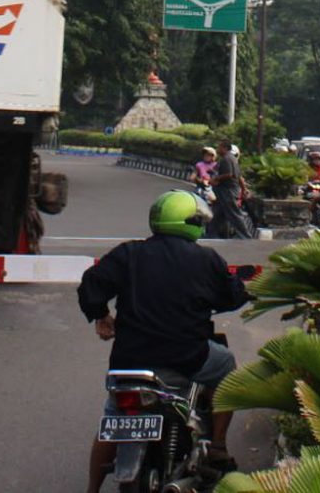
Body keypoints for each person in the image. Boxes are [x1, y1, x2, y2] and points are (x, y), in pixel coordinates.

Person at [77, 190, 251, 493]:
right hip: (186, 357)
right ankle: (219, 446)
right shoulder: (207, 259)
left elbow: (91, 283)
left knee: (112, 419)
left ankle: (92, 488)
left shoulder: (129, 253)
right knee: (226, 365)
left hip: (129, 362)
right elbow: (231, 296)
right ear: (193, 222)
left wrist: (101, 315)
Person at [209, 139, 254, 238]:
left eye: (219, 147)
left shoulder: (227, 159)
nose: (218, 149)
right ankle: (211, 233)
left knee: (234, 214)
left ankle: (246, 236)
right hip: (224, 191)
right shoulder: (231, 158)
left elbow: (230, 174)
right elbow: (239, 176)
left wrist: (216, 178)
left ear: (224, 148)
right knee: (219, 214)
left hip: (228, 191)